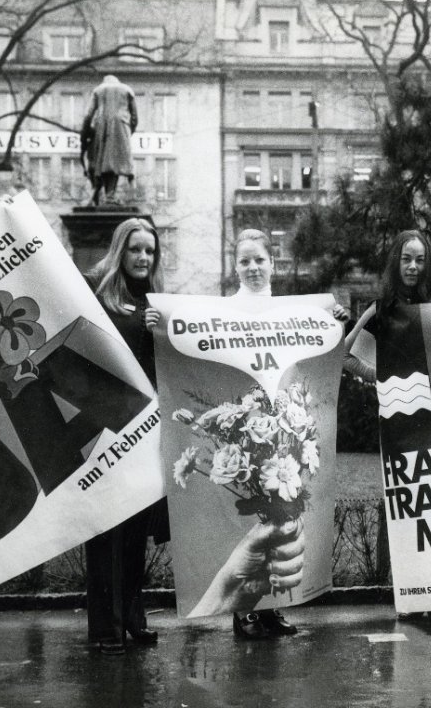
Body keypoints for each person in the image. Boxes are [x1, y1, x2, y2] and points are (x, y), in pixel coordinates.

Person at [147, 228, 347, 639]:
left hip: (284, 424)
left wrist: (337, 319)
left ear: (273, 263)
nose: (253, 267)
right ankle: (246, 614)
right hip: (247, 424)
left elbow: (320, 347)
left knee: (282, 517)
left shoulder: (295, 310)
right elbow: (185, 332)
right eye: (244, 261)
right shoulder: (224, 310)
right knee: (255, 519)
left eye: (260, 260)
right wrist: (156, 322)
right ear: (235, 267)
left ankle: (273, 609)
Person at [343, 229, 431, 633]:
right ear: (395, 263)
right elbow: (346, 356)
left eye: (420, 259)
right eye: (406, 259)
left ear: (428, 262)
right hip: (401, 422)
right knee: (412, 512)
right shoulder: (381, 309)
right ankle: (418, 597)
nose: (414, 267)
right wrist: (383, 379)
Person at [84, 217, 169, 655]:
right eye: (136, 249)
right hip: (103, 434)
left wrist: (160, 331)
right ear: (121, 251)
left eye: (150, 252)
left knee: (134, 535)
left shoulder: (154, 302)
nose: (143, 258)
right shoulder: (95, 296)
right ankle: (104, 627)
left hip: (142, 435)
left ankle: (133, 618)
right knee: (105, 533)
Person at [82, 75, 138, 206]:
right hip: (122, 125)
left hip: (101, 126)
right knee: (117, 161)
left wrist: (86, 133)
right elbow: (135, 116)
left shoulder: (98, 90)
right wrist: (130, 130)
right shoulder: (127, 90)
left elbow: (88, 115)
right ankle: (113, 196)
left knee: (104, 161)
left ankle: (108, 196)